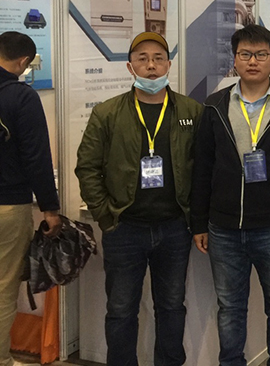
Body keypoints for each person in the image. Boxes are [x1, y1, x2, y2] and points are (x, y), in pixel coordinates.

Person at [75, 31, 203, 366]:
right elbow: (87, 167)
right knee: (120, 310)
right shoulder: (107, 113)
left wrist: (195, 217)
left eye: (158, 58)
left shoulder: (190, 110)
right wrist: (106, 215)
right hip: (125, 228)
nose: (151, 65)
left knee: (172, 307)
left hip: (174, 228)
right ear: (130, 67)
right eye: (142, 58)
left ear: (168, 65)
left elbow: (204, 167)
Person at [191, 24, 270, 366]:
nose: (253, 61)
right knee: (230, 307)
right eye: (245, 54)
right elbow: (202, 168)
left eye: (261, 54)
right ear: (235, 60)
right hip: (224, 228)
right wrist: (199, 222)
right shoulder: (215, 106)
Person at [0, 31, 61, 366]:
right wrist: (50, 209)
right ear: (24, 61)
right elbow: (36, 157)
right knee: (3, 287)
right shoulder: (21, 98)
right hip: (8, 205)